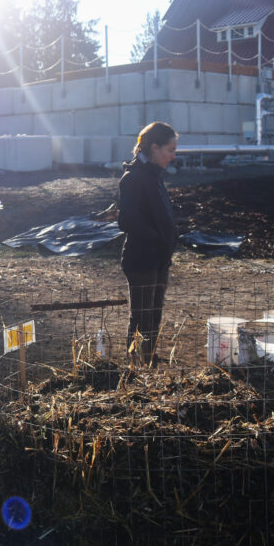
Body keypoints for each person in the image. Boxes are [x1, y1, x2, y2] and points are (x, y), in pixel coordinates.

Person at [118, 121, 178, 364]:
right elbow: (127, 221)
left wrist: (169, 236)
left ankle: (148, 356)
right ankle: (135, 361)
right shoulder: (133, 178)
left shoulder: (153, 176)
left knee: (154, 312)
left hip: (159, 257)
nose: (173, 156)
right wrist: (158, 237)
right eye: (169, 150)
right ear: (154, 147)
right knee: (142, 313)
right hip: (141, 257)